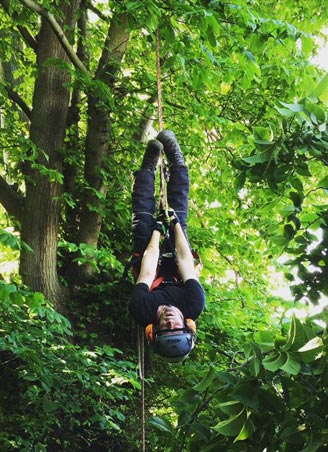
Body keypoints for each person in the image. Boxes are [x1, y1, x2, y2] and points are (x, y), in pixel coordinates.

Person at [128, 130, 205, 362]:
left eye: (166, 328)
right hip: (178, 269)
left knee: (142, 219)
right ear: (187, 325)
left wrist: (157, 230)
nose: (171, 322)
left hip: (152, 271)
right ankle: (177, 162)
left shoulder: (142, 309)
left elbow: (148, 269)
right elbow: (185, 260)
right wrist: (172, 223)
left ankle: (148, 168)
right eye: (176, 327)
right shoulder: (194, 303)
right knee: (179, 215)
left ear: (154, 330)